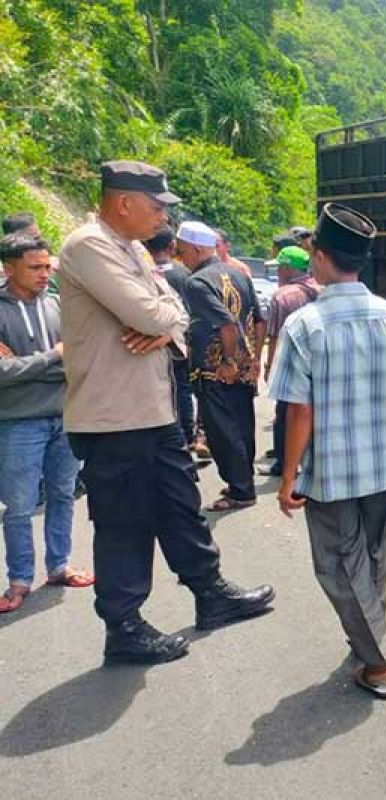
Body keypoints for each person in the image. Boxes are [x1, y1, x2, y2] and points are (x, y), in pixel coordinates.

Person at [57, 160, 274, 665]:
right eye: (156, 206)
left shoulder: (131, 248)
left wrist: (167, 324)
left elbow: (175, 310)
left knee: (181, 505)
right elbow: (158, 312)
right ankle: (124, 625)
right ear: (123, 202)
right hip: (113, 416)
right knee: (124, 522)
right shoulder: (89, 246)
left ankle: (210, 593)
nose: (163, 218)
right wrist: (167, 321)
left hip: (152, 411)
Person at [269, 204, 386, 699]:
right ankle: (369, 634)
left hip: (332, 471)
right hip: (383, 464)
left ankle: (379, 664)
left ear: (319, 255)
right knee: (374, 555)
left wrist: (288, 476)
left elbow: (300, 413)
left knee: (339, 563)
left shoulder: (306, 325)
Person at [0, 232, 93, 613]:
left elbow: (82, 359)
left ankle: (59, 565)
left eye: (47, 266)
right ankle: (19, 579)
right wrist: (55, 356)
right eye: (34, 267)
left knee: (63, 495)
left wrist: (31, 365)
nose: (44, 274)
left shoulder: (58, 305)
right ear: (9, 268)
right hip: (18, 422)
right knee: (19, 506)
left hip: (65, 416)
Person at [176, 220, 265, 511]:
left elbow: (226, 324)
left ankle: (240, 491)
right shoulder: (239, 274)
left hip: (216, 369)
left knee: (221, 432)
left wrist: (227, 361)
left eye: (183, 251)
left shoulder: (197, 282)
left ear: (197, 249)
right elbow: (259, 320)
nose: (181, 258)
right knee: (242, 427)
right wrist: (252, 360)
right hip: (242, 369)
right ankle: (243, 483)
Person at [142, 225, 203, 457]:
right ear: (172, 247)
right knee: (183, 390)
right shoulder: (184, 274)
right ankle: (188, 437)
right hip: (180, 343)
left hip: (147, 344)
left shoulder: (142, 273)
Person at [260, 245, 319, 477]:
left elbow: (275, 336)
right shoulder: (322, 289)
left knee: (284, 414)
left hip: (291, 363)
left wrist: (270, 367)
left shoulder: (282, 296)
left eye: (279, 268)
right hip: (319, 362)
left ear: (286, 268)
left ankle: (284, 464)